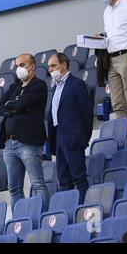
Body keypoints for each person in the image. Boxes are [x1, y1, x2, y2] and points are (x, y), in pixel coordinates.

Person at [0, 54, 49, 211]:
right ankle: (19, 223)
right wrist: (16, 107)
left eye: (21, 64)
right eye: (16, 65)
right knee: (14, 189)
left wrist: (13, 106)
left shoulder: (39, 85)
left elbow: (23, 103)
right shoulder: (14, 87)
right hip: (9, 144)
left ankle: (42, 218)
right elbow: (1, 107)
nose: (18, 68)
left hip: (28, 143)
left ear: (32, 66)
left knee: (38, 184)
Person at [47, 53, 92, 203]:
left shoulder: (76, 84)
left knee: (79, 177)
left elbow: (86, 113)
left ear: (64, 65)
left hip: (73, 137)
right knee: (63, 179)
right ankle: (69, 211)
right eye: (48, 67)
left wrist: (83, 138)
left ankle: (83, 209)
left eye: (53, 65)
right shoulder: (55, 88)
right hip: (59, 138)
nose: (50, 69)